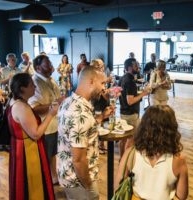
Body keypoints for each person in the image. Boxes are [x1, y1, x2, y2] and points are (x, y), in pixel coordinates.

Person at [57, 65, 114, 200]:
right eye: (102, 83)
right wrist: (88, 185)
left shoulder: (69, 101)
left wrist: (101, 117)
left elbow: (82, 131)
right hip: (78, 181)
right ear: (91, 82)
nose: (104, 88)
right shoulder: (80, 113)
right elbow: (78, 160)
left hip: (69, 175)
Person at [115, 105, 189, 200]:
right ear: (172, 128)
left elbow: (117, 186)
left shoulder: (131, 153)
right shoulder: (179, 160)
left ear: (143, 127)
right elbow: (182, 196)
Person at [8, 73, 59, 200]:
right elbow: (35, 134)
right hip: (28, 151)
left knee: (24, 183)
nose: (35, 87)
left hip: (20, 148)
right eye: (31, 85)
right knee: (32, 185)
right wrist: (51, 114)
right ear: (22, 89)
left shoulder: (15, 101)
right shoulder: (21, 107)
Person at [28, 54, 63, 185]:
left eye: (50, 63)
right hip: (44, 126)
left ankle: (53, 177)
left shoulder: (51, 80)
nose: (51, 66)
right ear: (38, 67)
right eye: (47, 64)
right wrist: (56, 103)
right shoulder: (35, 82)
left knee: (53, 153)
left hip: (55, 125)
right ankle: (43, 182)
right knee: (44, 156)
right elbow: (34, 108)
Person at [118, 58, 150, 158]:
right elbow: (130, 101)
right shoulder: (130, 81)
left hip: (123, 112)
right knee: (132, 139)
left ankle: (122, 159)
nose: (138, 67)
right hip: (131, 114)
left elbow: (119, 93)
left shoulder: (122, 78)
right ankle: (126, 161)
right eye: (136, 65)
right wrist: (144, 93)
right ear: (129, 67)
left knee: (123, 139)